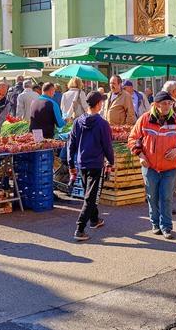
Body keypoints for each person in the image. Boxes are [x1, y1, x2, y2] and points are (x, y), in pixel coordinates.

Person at [129, 91, 176, 239]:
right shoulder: (145, 119)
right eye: (164, 103)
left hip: (169, 167)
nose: (167, 106)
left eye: (170, 104)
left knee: (166, 197)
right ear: (156, 105)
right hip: (149, 166)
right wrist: (140, 155)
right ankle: (155, 224)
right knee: (152, 196)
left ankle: (166, 227)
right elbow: (133, 138)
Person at [69, 91, 115, 241]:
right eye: (101, 102)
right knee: (90, 197)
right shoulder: (102, 124)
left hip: (82, 162)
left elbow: (71, 144)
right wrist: (111, 161)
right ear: (98, 104)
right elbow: (107, 145)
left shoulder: (77, 121)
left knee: (89, 193)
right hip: (96, 163)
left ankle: (94, 220)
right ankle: (79, 228)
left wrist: (71, 164)